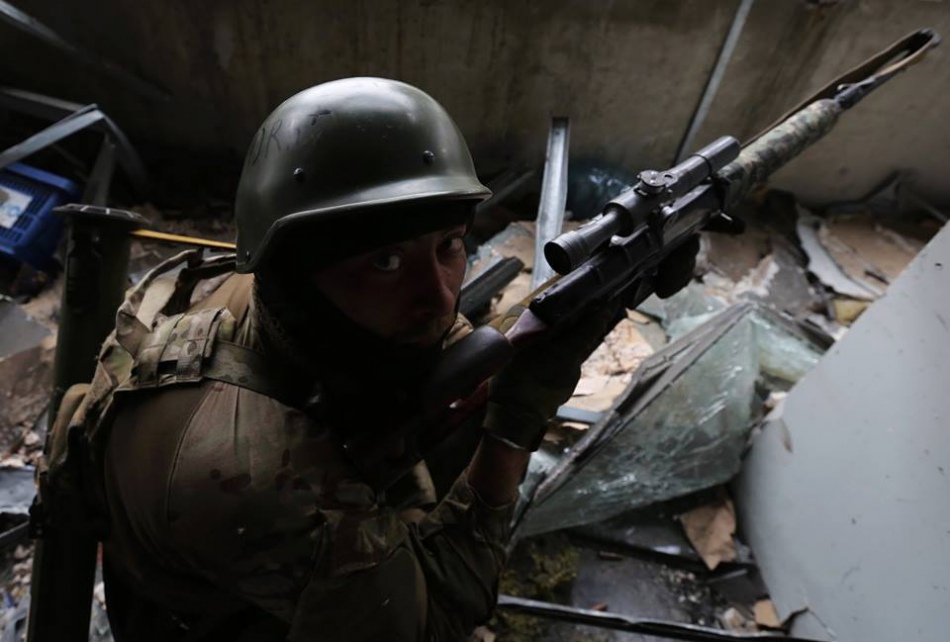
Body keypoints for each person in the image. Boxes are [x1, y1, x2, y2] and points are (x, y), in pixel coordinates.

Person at [79, 77, 621, 642]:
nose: (440, 299)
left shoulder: (285, 306)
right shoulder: (259, 480)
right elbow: (435, 622)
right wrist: (512, 430)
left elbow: (440, 349)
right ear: (293, 273)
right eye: (386, 261)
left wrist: (547, 321)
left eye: (449, 245)